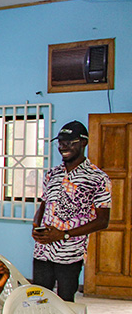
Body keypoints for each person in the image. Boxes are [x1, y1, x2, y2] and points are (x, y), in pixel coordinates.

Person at [32, 120, 111, 302]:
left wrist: (64, 235)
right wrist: (36, 225)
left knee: (65, 303)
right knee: (38, 300)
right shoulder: (52, 174)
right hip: (43, 250)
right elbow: (44, 204)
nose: (63, 147)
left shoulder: (98, 178)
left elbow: (102, 221)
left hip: (70, 253)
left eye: (69, 142)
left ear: (83, 143)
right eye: (60, 142)